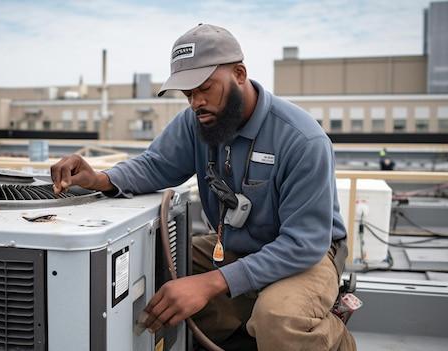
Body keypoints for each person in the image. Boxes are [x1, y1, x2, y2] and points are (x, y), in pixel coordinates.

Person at [50, 24, 356, 350]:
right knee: (155, 266)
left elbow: (303, 243)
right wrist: (100, 179)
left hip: (307, 254)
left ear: (239, 74)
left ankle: (333, 339)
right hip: (236, 243)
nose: (196, 103)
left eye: (205, 88)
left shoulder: (301, 139)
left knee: (277, 317)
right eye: (188, 94)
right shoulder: (198, 122)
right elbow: (156, 164)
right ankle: (229, 322)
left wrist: (211, 283)